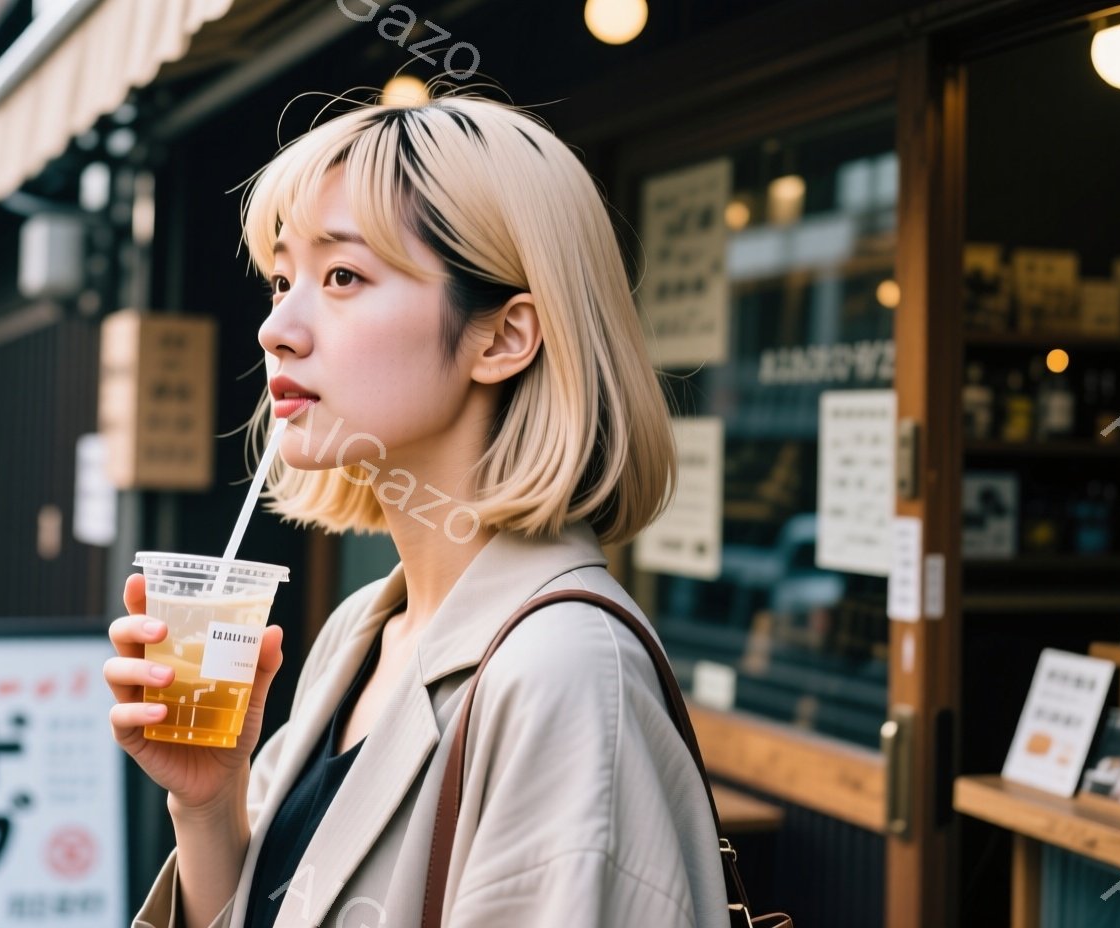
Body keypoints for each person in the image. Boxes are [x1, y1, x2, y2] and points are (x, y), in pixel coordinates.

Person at [107, 92, 729, 928]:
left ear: (504, 338)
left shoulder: (565, 676)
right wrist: (210, 806)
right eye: (282, 279)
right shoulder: (363, 630)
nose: (276, 329)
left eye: (342, 276)